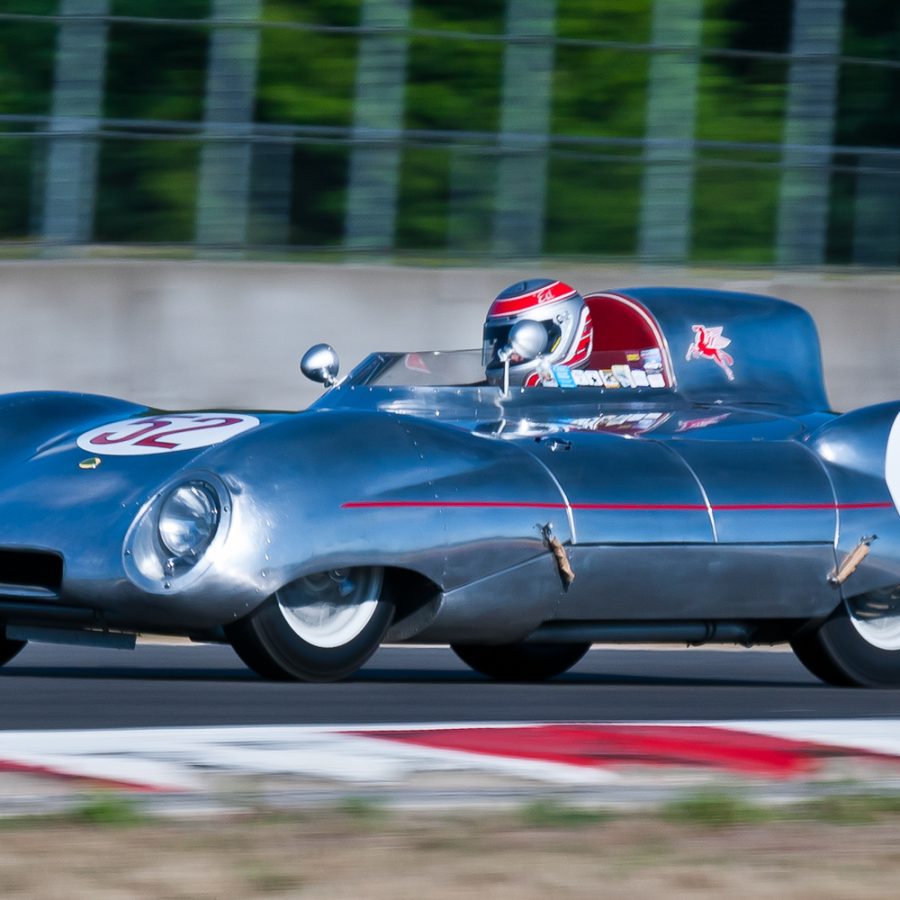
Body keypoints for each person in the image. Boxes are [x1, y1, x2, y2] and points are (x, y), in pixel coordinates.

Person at [482, 278, 593, 387]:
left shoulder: (594, 401)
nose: (502, 353)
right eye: (501, 342)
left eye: (523, 345)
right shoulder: (482, 397)